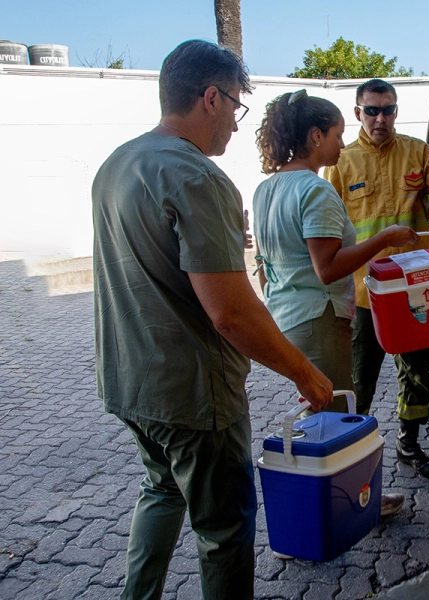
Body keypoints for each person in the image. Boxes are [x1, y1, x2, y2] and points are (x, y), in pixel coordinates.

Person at [92, 40, 333, 600]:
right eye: (235, 106)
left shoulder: (117, 164)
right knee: (224, 529)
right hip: (195, 396)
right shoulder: (196, 177)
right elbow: (230, 313)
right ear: (210, 98)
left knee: (162, 490)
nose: (234, 122)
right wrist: (304, 373)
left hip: (130, 382)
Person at [251, 89, 418, 516]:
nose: (342, 145)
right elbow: (327, 268)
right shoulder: (316, 191)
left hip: (287, 315)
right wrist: (385, 237)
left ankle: (331, 501)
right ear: (314, 136)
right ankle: (352, 503)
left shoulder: (267, 189)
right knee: (336, 414)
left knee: (319, 413)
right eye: (337, 134)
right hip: (319, 317)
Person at [324, 79, 429, 480]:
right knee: (360, 382)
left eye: (387, 110)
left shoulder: (418, 153)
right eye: (371, 110)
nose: (380, 118)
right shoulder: (340, 162)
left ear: (396, 111)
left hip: (415, 291)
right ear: (358, 113)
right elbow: (326, 232)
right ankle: (351, 457)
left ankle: (408, 444)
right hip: (364, 294)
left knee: (417, 375)